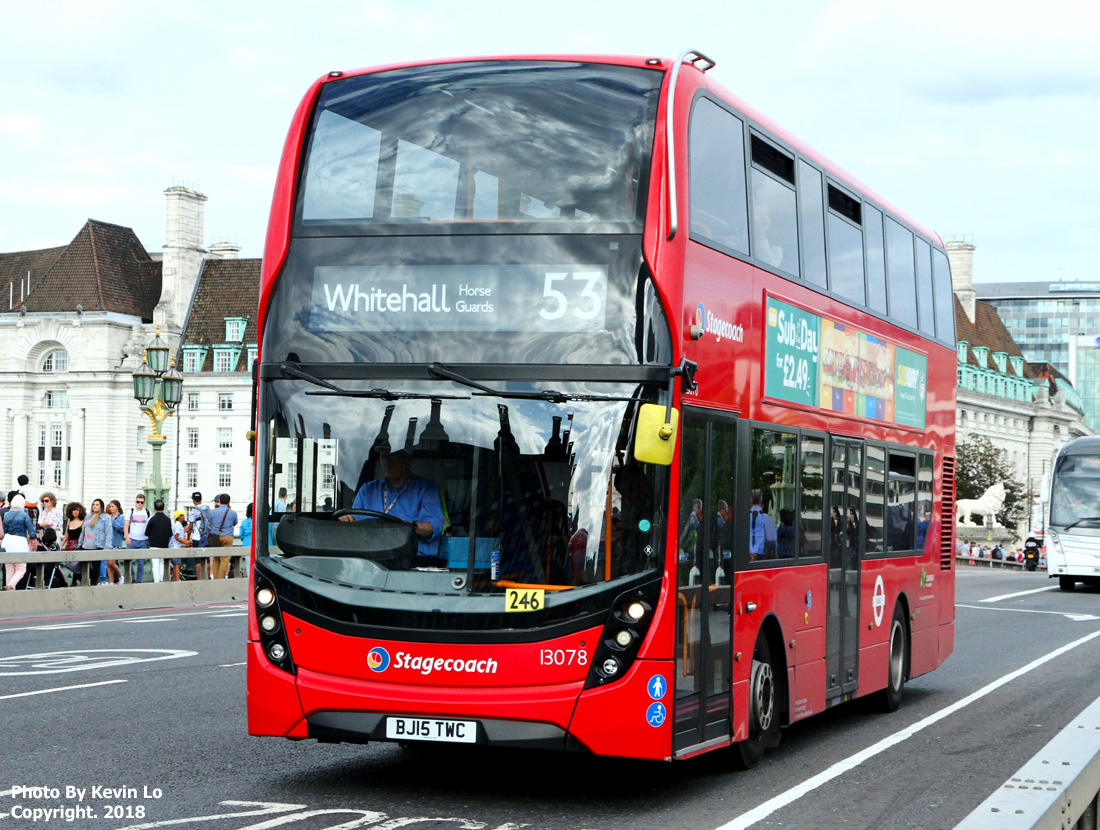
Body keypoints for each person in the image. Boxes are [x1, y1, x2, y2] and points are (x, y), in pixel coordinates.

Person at [338, 447, 444, 560]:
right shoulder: (367, 489)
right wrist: (347, 520)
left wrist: (406, 525)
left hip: (412, 560)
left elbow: (433, 528)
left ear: (408, 462)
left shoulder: (426, 488)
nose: (387, 462)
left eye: (393, 457)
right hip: (371, 559)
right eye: (384, 457)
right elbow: (355, 527)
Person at [3, 495, 35, 589]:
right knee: (21, 569)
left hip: (7, 540)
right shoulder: (24, 515)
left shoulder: (6, 514)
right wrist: (34, 539)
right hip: (19, 541)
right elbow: (31, 531)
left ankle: (9, 593)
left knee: (9, 568)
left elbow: (4, 529)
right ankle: (10, 586)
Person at [207, 494, 239, 579]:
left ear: (220, 501)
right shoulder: (232, 513)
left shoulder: (213, 512)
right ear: (229, 502)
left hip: (215, 537)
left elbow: (209, 522)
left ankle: (216, 578)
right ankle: (221, 579)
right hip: (227, 537)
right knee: (225, 559)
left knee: (216, 558)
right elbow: (235, 523)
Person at [81, 498, 112, 585]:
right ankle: (86, 581)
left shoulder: (105, 517)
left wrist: (107, 547)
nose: (95, 506)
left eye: (97, 504)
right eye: (93, 504)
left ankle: (94, 583)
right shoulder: (88, 516)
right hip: (86, 544)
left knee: (96, 566)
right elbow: (83, 531)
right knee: (83, 564)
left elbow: (108, 532)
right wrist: (80, 543)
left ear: (101, 506)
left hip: (97, 545)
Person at [124, 493, 151, 585]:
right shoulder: (130, 512)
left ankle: (139, 581)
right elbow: (126, 525)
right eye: (138, 502)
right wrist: (127, 537)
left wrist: (149, 539)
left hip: (143, 540)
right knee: (129, 561)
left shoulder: (147, 512)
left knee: (141, 563)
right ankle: (131, 577)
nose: (139, 504)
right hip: (132, 539)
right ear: (135, 502)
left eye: (141, 502)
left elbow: (150, 526)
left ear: (144, 503)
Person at [144, 499, 173, 581]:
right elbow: (170, 533)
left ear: (154, 508)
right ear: (163, 508)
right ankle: (161, 580)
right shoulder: (167, 520)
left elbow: (146, 532)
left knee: (155, 564)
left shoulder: (152, 519)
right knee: (162, 563)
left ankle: (156, 581)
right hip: (164, 545)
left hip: (154, 545)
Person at [186, 491, 211, 580]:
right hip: (207, 536)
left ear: (193, 500)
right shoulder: (207, 508)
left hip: (197, 537)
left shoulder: (194, 511)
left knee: (198, 561)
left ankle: (199, 579)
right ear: (201, 499)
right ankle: (207, 578)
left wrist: (188, 538)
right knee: (207, 559)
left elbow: (190, 526)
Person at [100, 499, 124, 585]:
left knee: (111, 563)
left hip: (116, 543)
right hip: (108, 543)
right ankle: (111, 582)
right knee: (108, 563)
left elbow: (122, 528)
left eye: (113, 506)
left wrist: (112, 520)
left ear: (117, 507)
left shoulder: (121, 517)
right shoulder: (107, 517)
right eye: (110, 506)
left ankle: (120, 576)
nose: (111, 508)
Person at [749, 489, 778, 561]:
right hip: (762, 558)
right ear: (762, 504)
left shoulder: (743, 518)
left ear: (750, 504)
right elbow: (772, 540)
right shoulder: (768, 518)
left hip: (745, 557)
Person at [169, 511, 190, 581]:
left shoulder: (178, 525)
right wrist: (186, 542)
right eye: (182, 515)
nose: (184, 516)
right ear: (179, 517)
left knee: (176, 564)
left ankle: (175, 578)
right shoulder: (178, 525)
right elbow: (177, 537)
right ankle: (177, 579)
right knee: (177, 564)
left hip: (176, 547)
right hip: (175, 548)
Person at [238, 503, 253, 578]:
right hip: (261, 546)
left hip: (247, 545)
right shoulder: (264, 522)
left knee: (249, 565)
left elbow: (241, 535)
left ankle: (249, 580)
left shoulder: (244, 522)